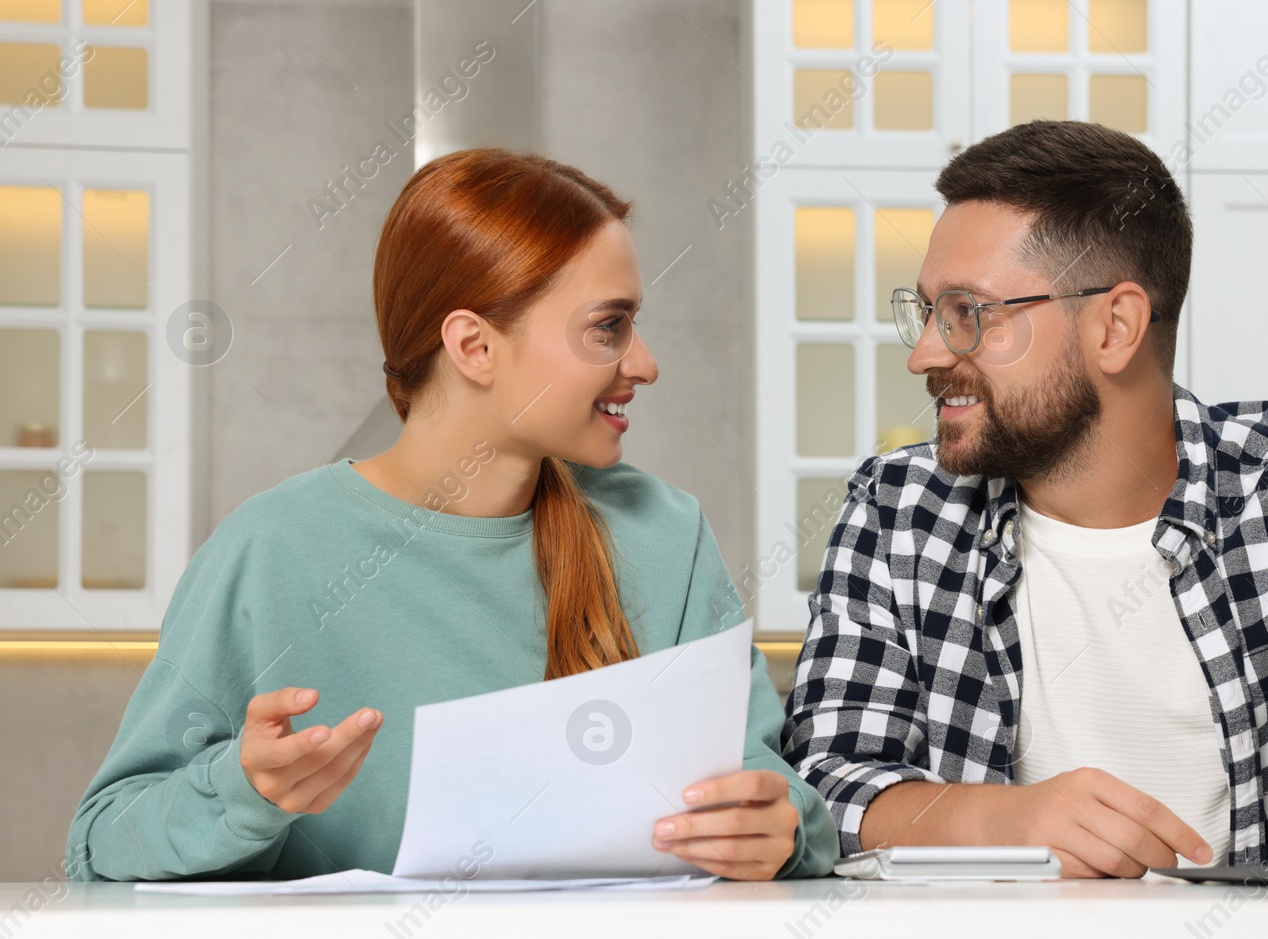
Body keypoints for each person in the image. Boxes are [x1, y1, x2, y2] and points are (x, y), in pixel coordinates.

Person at [68, 148, 837, 882]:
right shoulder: (269, 551)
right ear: (474, 345)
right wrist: (242, 791)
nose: (644, 363)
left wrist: (781, 827)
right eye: (610, 326)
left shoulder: (667, 536)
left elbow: (779, 795)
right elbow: (102, 838)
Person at [782, 120, 1268, 877]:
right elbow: (821, 788)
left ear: (1115, 326)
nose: (924, 354)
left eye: (969, 314)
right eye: (927, 313)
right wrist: (1003, 819)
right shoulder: (900, 510)